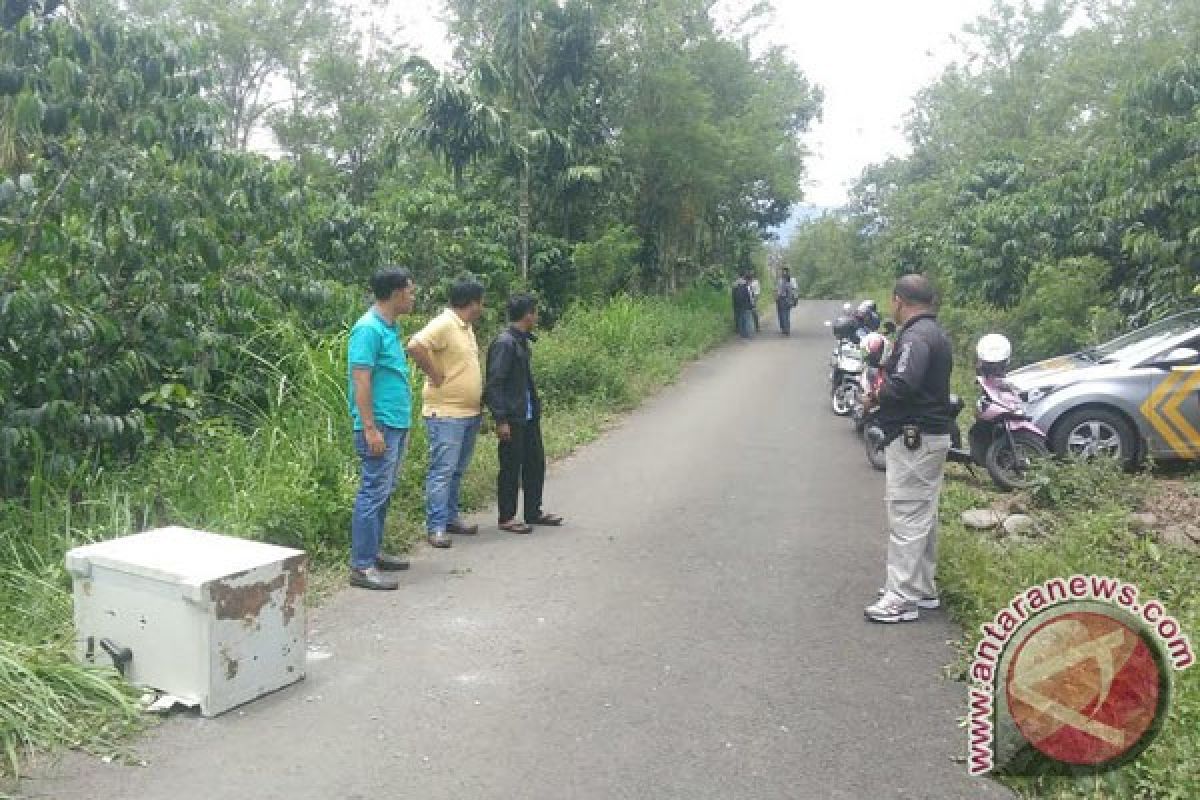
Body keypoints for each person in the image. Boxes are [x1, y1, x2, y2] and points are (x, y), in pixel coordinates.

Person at [862, 274, 954, 623]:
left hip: (916, 439)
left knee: (906, 515)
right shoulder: (934, 333)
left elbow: (903, 383)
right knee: (922, 516)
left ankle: (901, 598)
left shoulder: (916, 337)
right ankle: (922, 588)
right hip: (929, 436)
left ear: (898, 300)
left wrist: (874, 397)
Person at [346, 268, 418, 591]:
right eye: (410, 291)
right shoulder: (367, 330)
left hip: (395, 423)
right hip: (380, 426)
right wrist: (370, 428)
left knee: (383, 491)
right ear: (396, 292)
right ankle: (361, 566)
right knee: (373, 490)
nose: (413, 297)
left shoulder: (390, 327)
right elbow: (360, 380)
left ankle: (372, 553)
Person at [407, 278, 486, 549]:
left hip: (467, 412)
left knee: (456, 470)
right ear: (473, 302)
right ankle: (436, 526)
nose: (482, 306)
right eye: (481, 301)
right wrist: (433, 373)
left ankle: (451, 517)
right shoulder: (445, 323)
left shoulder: (466, 328)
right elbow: (415, 345)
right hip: (446, 412)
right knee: (442, 470)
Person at [484, 293, 564, 534]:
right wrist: (500, 419)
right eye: (535, 312)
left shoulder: (521, 341)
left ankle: (533, 511)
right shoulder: (505, 343)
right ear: (528, 314)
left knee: (535, 463)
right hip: (512, 416)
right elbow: (494, 383)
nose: (537, 317)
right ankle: (507, 516)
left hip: (527, 415)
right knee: (510, 466)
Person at [775, 268, 798, 335]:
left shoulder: (781, 281)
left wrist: (795, 299)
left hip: (783, 299)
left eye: (784, 272)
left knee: (783, 314)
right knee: (786, 314)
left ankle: (785, 328)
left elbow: (778, 291)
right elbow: (794, 290)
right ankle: (786, 328)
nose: (784, 274)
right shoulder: (790, 281)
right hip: (787, 299)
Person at [731, 274, 755, 339]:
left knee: (741, 319)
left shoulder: (736, 286)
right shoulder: (747, 287)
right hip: (746, 305)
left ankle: (742, 333)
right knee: (747, 319)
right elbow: (750, 297)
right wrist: (753, 305)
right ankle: (747, 333)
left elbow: (734, 297)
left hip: (739, 306)